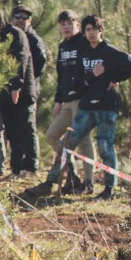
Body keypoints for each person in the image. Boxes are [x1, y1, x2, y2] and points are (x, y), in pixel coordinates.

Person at [64, 14, 131, 199]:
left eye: (94, 29)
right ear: (84, 32)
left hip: (107, 107)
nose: (91, 33)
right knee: (68, 143)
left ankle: (109, 190)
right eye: (87, 30)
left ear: (101, 30)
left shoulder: (110, 52)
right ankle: (66, 180)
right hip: (86, 106)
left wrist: (114, 77)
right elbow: (77, 85)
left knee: (105, 146)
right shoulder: (84, 55)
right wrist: (93, 74)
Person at [28, 10, 94, 195]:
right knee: (52, 134)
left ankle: (89, 183)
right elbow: (61, 76)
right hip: (66, 101)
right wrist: (58, 100)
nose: (66, 26)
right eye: (63, 23)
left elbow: (104, 51)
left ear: (78, 24)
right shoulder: (62, 46)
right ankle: (72, 173)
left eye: (70, 22)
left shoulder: (84, 41)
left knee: (84, 140)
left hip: (82, 99)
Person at [0, 5, 47, 179]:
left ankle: (31, 167)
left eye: (25, 17)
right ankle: (16, 169)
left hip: (23, 91)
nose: (21, 20)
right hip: (3, 94)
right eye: (18, 16)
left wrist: (17, 86)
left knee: (26, 128)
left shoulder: (17, 35)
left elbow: (21, 60)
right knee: (12, 132)